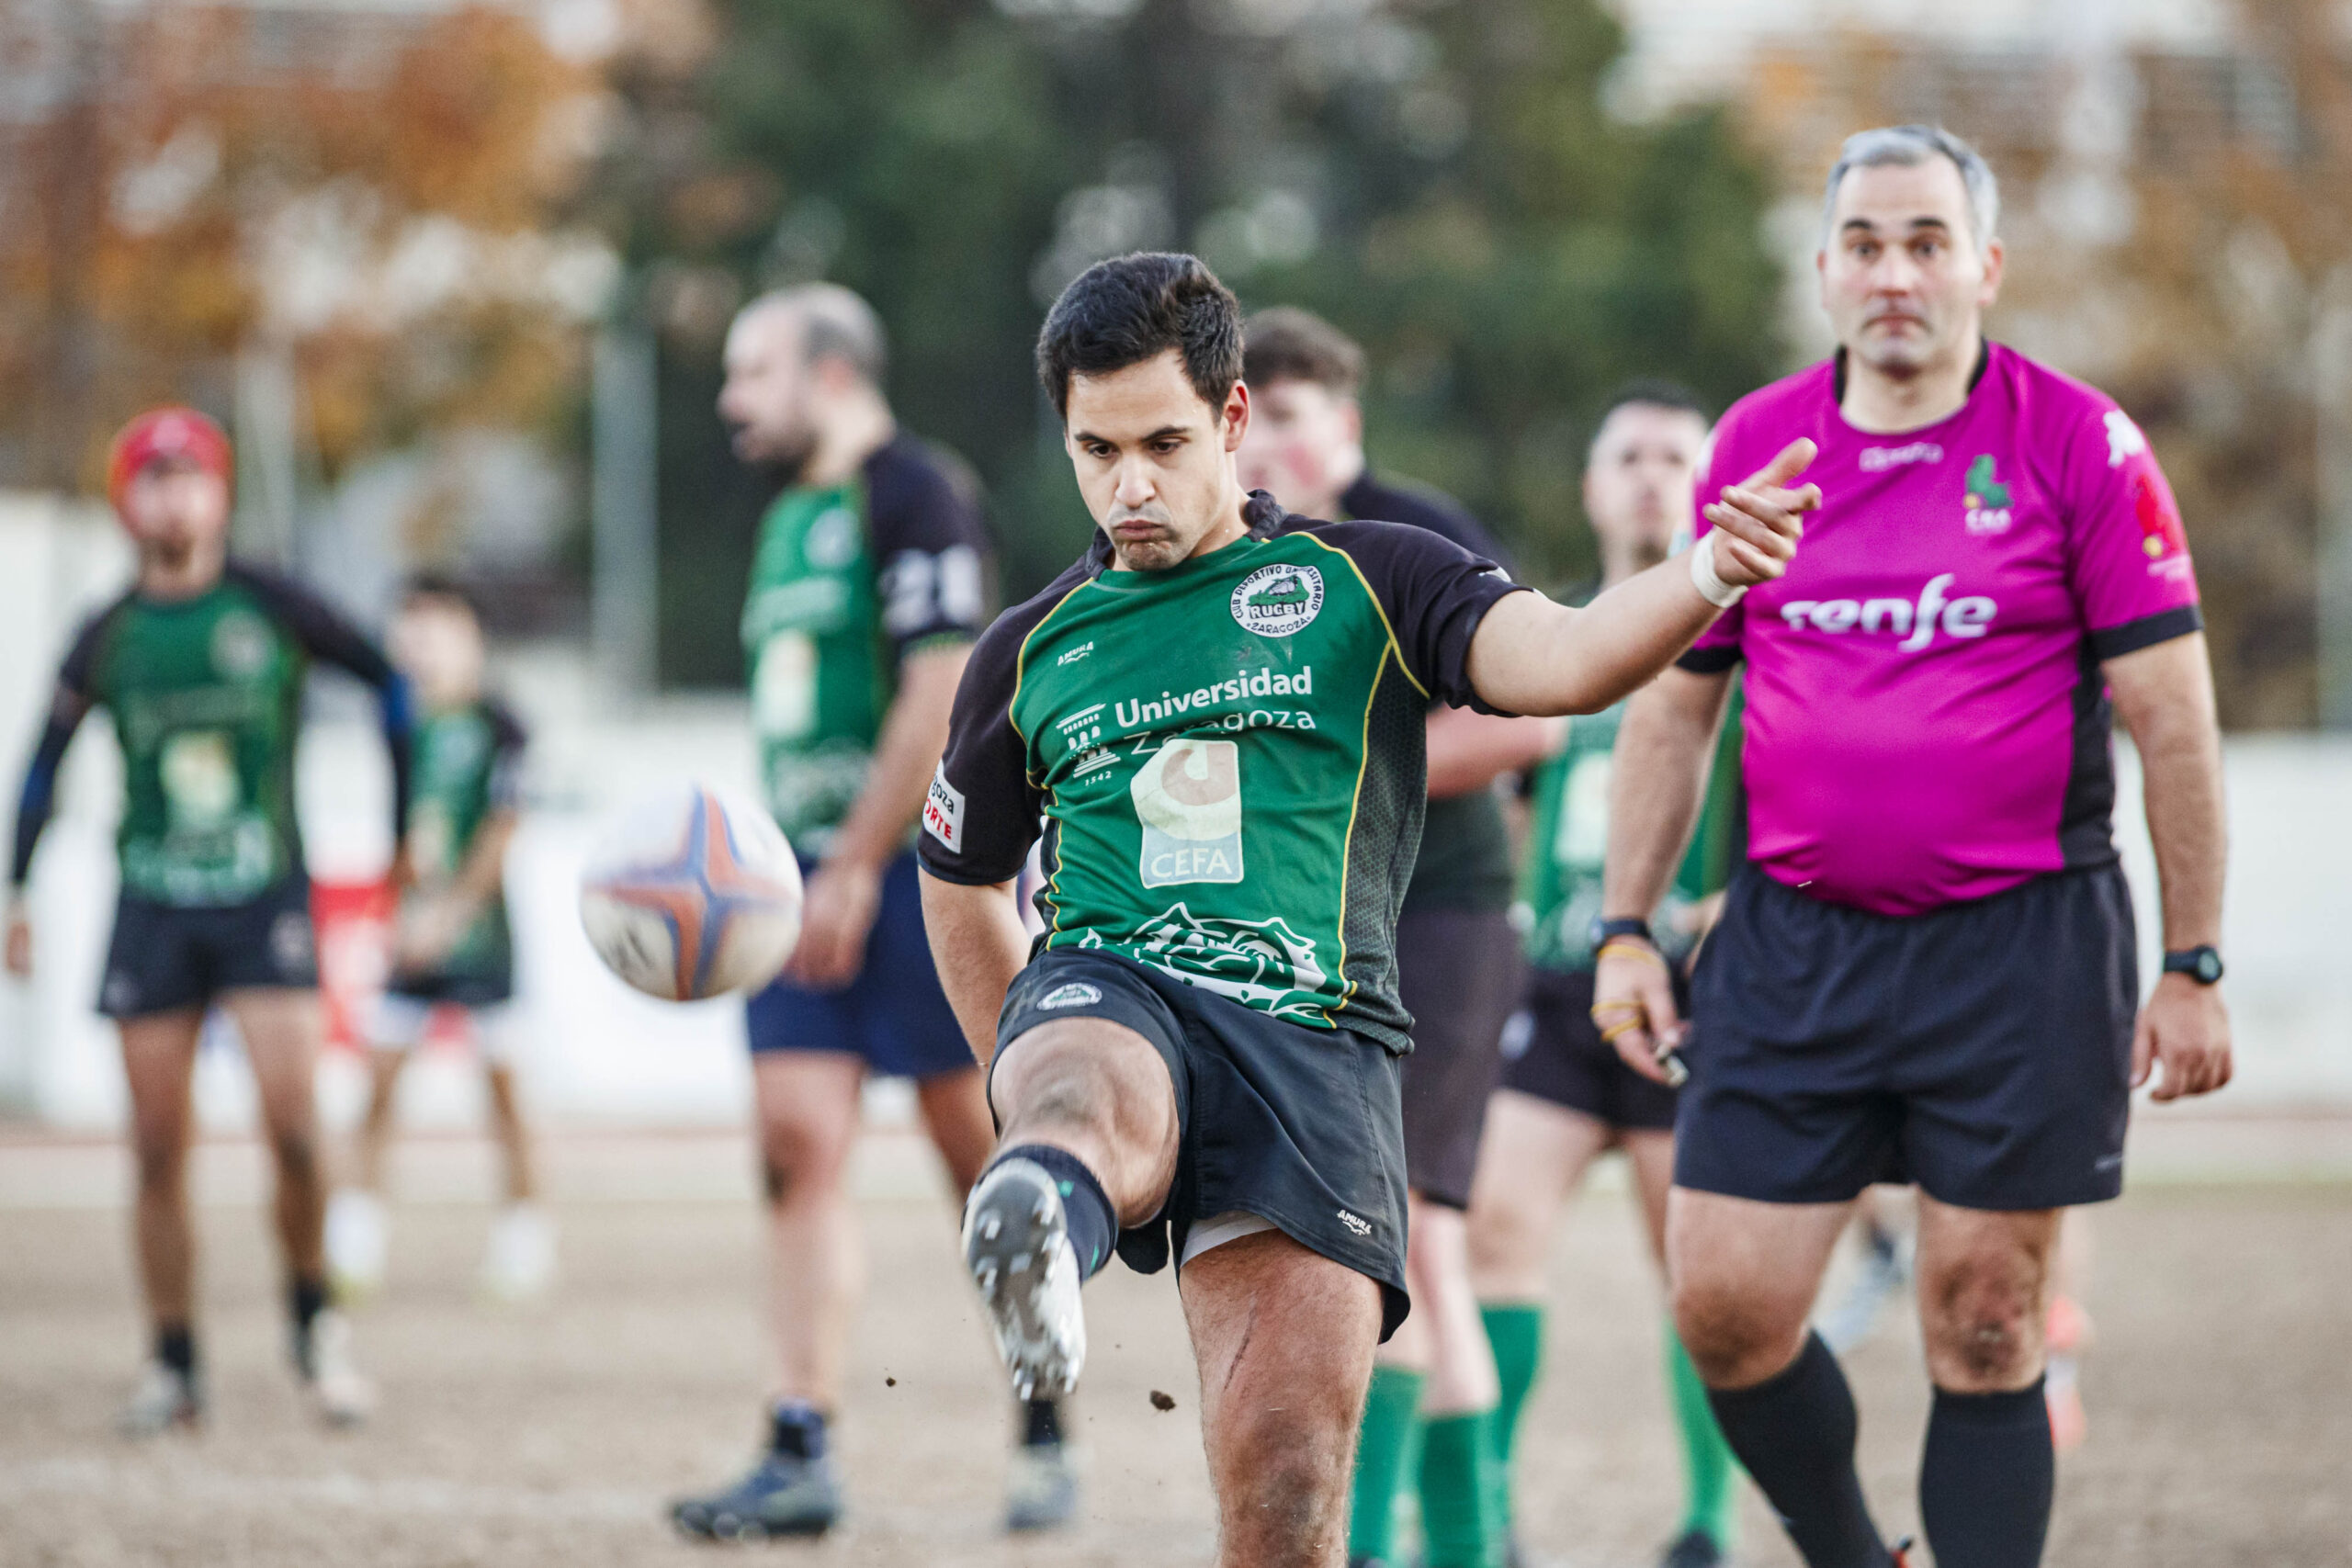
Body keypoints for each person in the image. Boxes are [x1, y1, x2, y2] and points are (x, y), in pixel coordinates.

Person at [917, 251, 1815, 1566]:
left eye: (1163, 441)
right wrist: (1020, 1061)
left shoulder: (1371, 578)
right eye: (1094, 450)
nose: (1130, 485)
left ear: (1233, 418)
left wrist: (1706, 574)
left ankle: (1057, 1182)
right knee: (1077, 1068)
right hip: (1114, 982)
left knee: (1287, 1494)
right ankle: (1044, 1201)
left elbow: (1563, 663)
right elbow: (958, 876)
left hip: (1314, 1045)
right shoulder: (1031, 644)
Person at [1596, 126, 2233, 1568]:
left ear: (1985, 267)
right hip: (1794, 939)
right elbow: (1673, 715)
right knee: (1726, 1305)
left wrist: (2193, 958)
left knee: (1988, 1310)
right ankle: (1847, 1552)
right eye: (1867, 244)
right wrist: (1627, 924)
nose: (1897, 272)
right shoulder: (1755, 445)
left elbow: (2175, 724)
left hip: (2020, 944)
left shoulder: (2079, 442)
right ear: (1825, 271)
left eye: (1928, 241)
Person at [669, 284, 1080, 1540]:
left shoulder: (915, 494)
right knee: (795, 1144)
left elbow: (940, 687)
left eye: (755, 372)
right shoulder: (788, 516)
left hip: (922, 877)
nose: (734, 399)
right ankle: (800, 1439)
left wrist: (857, 861)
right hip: (799, 880)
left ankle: (1045, 1408)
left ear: (833, 374)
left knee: (982, 1163)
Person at [5, 407, 407, 1434]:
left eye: (191, 477)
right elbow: (44, 765)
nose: (172, 497)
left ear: (221, 493)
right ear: (124, 500)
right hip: (150, 904)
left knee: (295, 1131)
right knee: (152, 1146)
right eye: (153, 478)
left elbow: (391, 686)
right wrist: (16, 886)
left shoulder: (271, 606)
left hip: (261, 900)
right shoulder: (109, 633)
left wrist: (406, 841)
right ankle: (175, 1360)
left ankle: (314, 1327)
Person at [1236, 307, 1555, 1568]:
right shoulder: (1226, 559)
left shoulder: (1411, 535)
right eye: (1248, 420)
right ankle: (1463, 1538)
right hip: (1324, 931)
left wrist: (1347, 781)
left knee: (1406, 1245)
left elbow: (1528, 722)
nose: (1268, 447)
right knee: (1391, 1249)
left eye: (1296, 417)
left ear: (1346, 428)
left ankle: (1387, 1546)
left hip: (1445, 917)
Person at [1463, 382, 1748, 1568]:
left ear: (1708, 484)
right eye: (1624, 453)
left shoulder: (1744, 645)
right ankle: (1481, 1507)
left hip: (1690, 997)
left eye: (1671, 455)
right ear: (1590, 486)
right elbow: (1516, 805)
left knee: (1697, 1272)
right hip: (1557, 988)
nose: (1645, 473)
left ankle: (1706, 1521)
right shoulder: (1548, 645)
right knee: (1492, 1231)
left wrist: (1729, 907)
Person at [326, 574, 550, 1304]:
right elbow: (400, 823)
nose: (418, 643)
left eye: (434, 626)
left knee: (504, 1092)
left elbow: (500, 829)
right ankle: (353, 1242)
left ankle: (525, 1239)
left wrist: (449, 916)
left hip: (483, 940)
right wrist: (396, 906)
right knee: (379, 1085)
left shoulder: (502, 723)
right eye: (409, 627)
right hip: (410, 936)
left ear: (471, 634)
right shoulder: (396, 719)